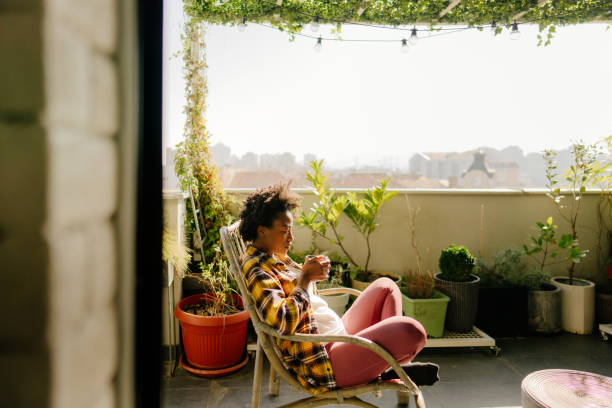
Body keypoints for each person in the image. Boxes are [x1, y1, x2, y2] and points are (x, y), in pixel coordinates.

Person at [239, 182, 435, 394]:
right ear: (261, 231)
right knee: (412, 331)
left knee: (386, 287)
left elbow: (301, 296)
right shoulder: (257, 269)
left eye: (291, 230)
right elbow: (282, 321)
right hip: (325, 360)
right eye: (285, 231)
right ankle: (393, 367)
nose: (291, 238)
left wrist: (311, 274)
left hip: (336, 335)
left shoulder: (274, 256)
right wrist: (305, 277)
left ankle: (392, 367)